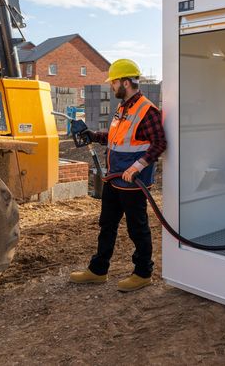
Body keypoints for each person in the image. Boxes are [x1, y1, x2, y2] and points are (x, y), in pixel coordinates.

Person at [69, 59, 166, 292]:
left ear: (125, 82)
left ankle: (143, 273)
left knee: (137, 229)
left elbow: (160, 143)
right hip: (114, 179)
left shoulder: (147, 110)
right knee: (107, 225)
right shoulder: (123, 108)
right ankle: (98, 270)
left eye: (113, 82)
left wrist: (138, 166)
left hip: (133, 182)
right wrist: (93, 135)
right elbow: (116, 139)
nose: (111, 86)